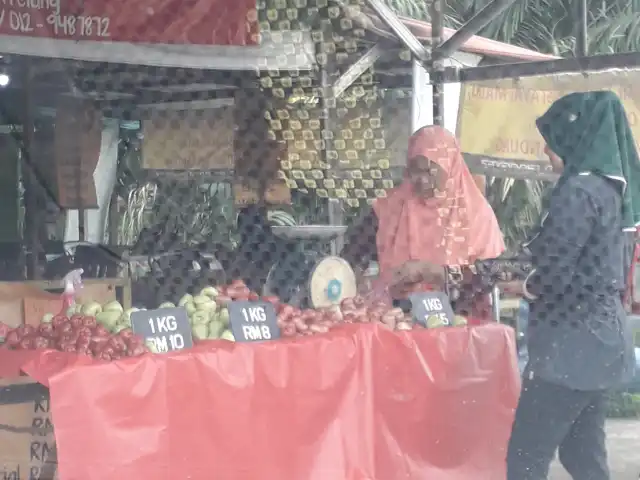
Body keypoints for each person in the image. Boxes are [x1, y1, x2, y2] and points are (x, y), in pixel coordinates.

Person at [389, 91, 638, 480]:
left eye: (553, 140)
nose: (545, 151)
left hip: (569, 350)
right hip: (601, 343)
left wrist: (522, 287)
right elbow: (548, 260)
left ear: (578, 136)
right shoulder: (611, 193)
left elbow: (550, 272)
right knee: (583, 458)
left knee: (525, 458)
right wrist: (449, 273)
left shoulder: (577, 192)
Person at [341, 125, 505, 322]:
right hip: (398, 318)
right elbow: (353, 254)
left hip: (460, 318)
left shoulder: (476, 213)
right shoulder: (392, 206)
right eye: (415, 171)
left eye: (429, 171)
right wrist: (359, 283)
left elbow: (491, 272)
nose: (422, 180)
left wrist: (430, 271)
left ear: (450, 167)